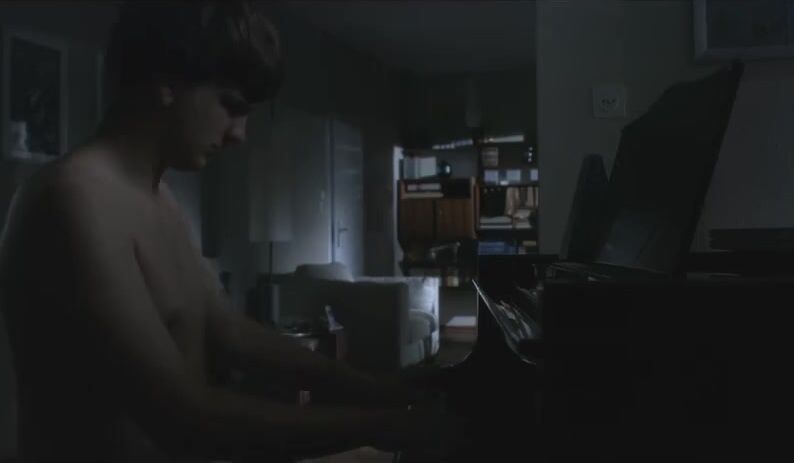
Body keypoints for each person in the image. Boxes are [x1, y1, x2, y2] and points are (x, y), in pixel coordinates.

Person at [0, 1, 451, 461]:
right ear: (166, 81)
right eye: (230, 106)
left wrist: (377, 390)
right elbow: (185, 418)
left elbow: (229, 333)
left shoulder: (160, 199)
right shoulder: (71, 200)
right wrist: (382, 424)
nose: (239, 133)